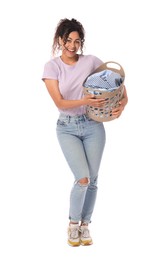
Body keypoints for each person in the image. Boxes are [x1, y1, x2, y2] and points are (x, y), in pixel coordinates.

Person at [42, 18, 128, 247]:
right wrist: (84, 100)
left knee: (93, 180)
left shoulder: (91, 61)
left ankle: (85, 225)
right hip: (67, 127)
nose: (72, 45)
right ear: (60, 40)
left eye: (77, 41)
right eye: (68, 40)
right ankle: (72, 225)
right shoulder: (52, 67)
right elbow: (59, 102)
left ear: (81, 43)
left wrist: (123, 103)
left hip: (93, 125)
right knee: (82, 178)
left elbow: (117, 81)